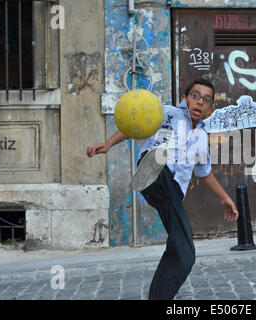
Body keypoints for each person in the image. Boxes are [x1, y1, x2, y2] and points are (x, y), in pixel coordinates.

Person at [87, 79, 239, 300]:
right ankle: (152, 169)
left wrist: (225, 199)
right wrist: (108, 144)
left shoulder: (202, 137)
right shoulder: (167, 112)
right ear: (184, 99)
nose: (199, 102)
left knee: (184, 253)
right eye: (195, 96)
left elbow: (203, 172)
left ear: (209, 108)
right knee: (162, 164)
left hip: (172, 192)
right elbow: (135, 124)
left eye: (206, 100)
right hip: (160, 171)